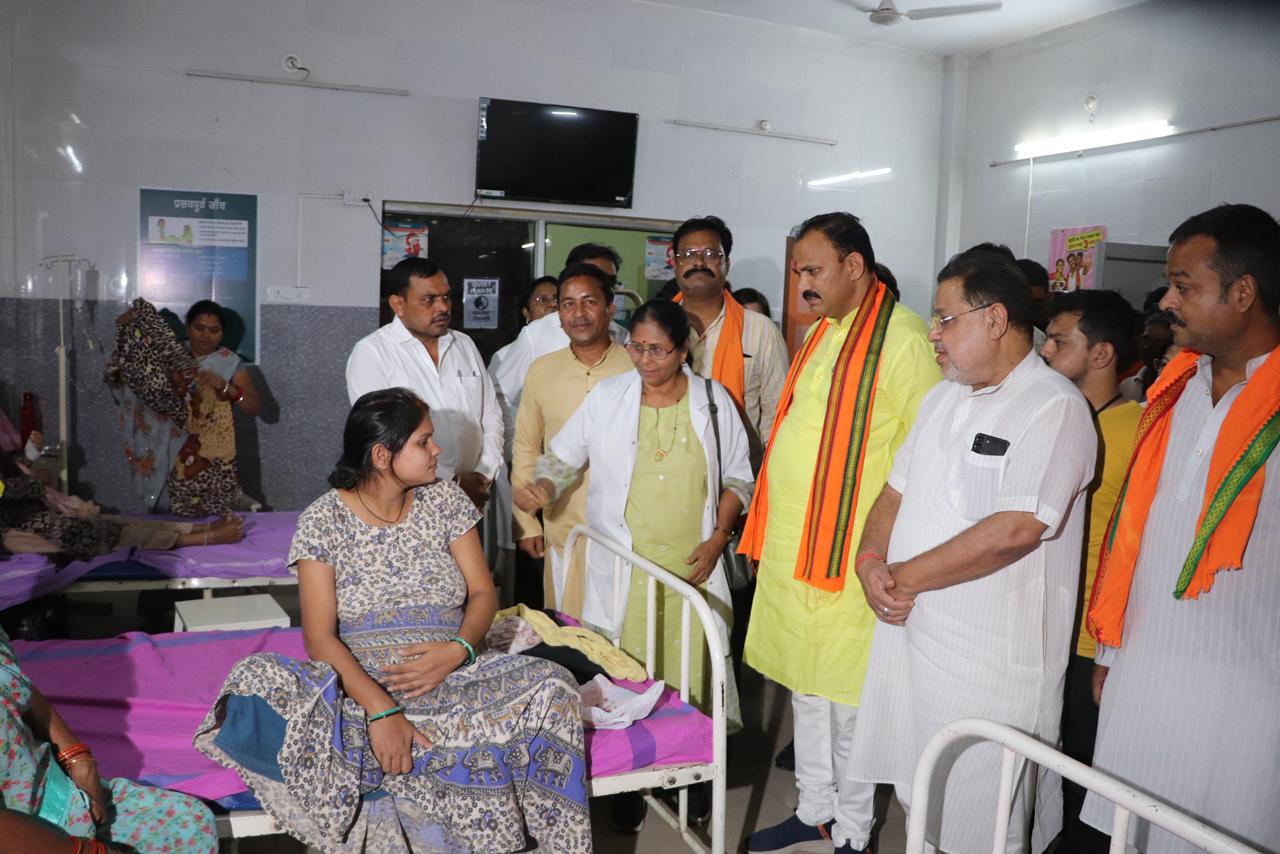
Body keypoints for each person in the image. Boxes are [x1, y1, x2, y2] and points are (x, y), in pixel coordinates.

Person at [195, 388, 591, 852]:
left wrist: (458, 650)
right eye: (423, 441)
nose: (437, 450)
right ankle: (399, 735)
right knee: (254, 678)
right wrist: (382, 711)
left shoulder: (445, 500)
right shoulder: (323, 521)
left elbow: (484, 593)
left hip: (457, 671)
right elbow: (319, 639)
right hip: (369, 683)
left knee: (555, 685)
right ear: (382, 455)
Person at [847, 250, 1096, 854]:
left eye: (945, 319)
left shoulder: (1053, 406)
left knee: (984, 820)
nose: (933, 334)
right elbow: (894, 491)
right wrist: (870, 562)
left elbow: (1017, 529)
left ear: (995, 319)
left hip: (991, 670)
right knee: (921, 801)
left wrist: (903, 577)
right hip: (914, 645)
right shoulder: (943, 398)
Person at [1082, 204, 1280, 852]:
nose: (1167, 301)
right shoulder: (1175, 389)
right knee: (1132, 832)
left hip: (1248, 699)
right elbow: (1138, 530)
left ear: (1242, 292)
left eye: (1184, 286)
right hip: (1145, 676)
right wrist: (1112, 653)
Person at [742, 213, 940, 854]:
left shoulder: (903, 340)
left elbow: (926, 456)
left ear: (854, 267)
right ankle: (814, 808)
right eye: (797, 270)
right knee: (807, 689)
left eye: (813, 270)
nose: (802, 283)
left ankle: (854, 831)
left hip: (854, 553)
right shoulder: (822, 332)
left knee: (851, 700)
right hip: (795, 548)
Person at [514, 299, 753, 831]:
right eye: (637, 347)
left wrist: (718, 538)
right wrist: (544, 486)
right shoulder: (609, 396)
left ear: (683, 351)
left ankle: (690, 776)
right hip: (625, 568)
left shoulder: (714, 401)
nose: (644, 359)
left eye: (657, 350)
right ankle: (632, 781)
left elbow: (740, 477)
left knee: (691, 671)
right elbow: (564, 455)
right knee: (627, 673)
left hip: (692, 569)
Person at [1040, 288, 1142, 852]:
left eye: (1060, 342)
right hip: (1042, 619)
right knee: (1042, 761)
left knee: (1086, 768)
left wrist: (1113, 645)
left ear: (1101, 354)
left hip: (1093, 636)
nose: (1046, 351)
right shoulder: (1052, 415)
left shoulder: (1139, 429)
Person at [0, 626, 218, 853]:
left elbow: (14, 683)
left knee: (190, 823)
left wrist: (77, 757)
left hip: (62, 792)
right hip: (31, 837)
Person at [510, 264, 632, 615]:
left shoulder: (635, 366)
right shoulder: (542, 370)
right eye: (568, 304)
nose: (578, 313)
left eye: (589, 302)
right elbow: (526, 445)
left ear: (610, 309)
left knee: (622, 623)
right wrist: (526, 522)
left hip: (625, 526)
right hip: (563, 521)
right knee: (569, 624)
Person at [346, 257, 502, 511]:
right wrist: (454, 483)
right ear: (398, 304)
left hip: (474, 494)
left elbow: (491, 416)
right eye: (429, 300)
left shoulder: (464, 344)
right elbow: (384, 437)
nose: (443, 307)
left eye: (446, 297)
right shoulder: (372, 353)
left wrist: (483, 475)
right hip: (411, 501)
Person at [670, 215, 788, 468]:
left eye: (710, 254)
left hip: (739, 476)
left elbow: (777, 413)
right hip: (668, 471)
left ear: (727, 263)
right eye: (688, 254)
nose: (699, 262)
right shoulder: (656, 329)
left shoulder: (760, 331)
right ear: (675, 263)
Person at [1, 444, 242, 555]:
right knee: (98, 531)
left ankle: (198, 528)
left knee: (114, 521)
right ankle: (202, 539)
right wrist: (32, 481)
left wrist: (30, 471)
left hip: (36, 516)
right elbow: (6, 490)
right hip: (17, 530)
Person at [489, 244, 628, 423]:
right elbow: (499, 396)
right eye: (594, 276)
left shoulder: (623, 337)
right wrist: (517, 436)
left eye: (611, 281)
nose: (604, 287)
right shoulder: (538, 333)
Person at [184, 300, 262, 508]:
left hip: (213, 448)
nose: (205, 335)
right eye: (199, 328)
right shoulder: (171, 358)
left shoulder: (229, 362)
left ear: (222, 334)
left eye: (213, 330)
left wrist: (228, 388)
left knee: (212, 506)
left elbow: (253, 407)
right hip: (174, 443)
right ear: (187, 327)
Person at [1119, 311, 1175, 402]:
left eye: (1158, 341)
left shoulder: (1177, 386)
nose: (1146, 346)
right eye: (1145, 339)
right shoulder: (1126, 385)